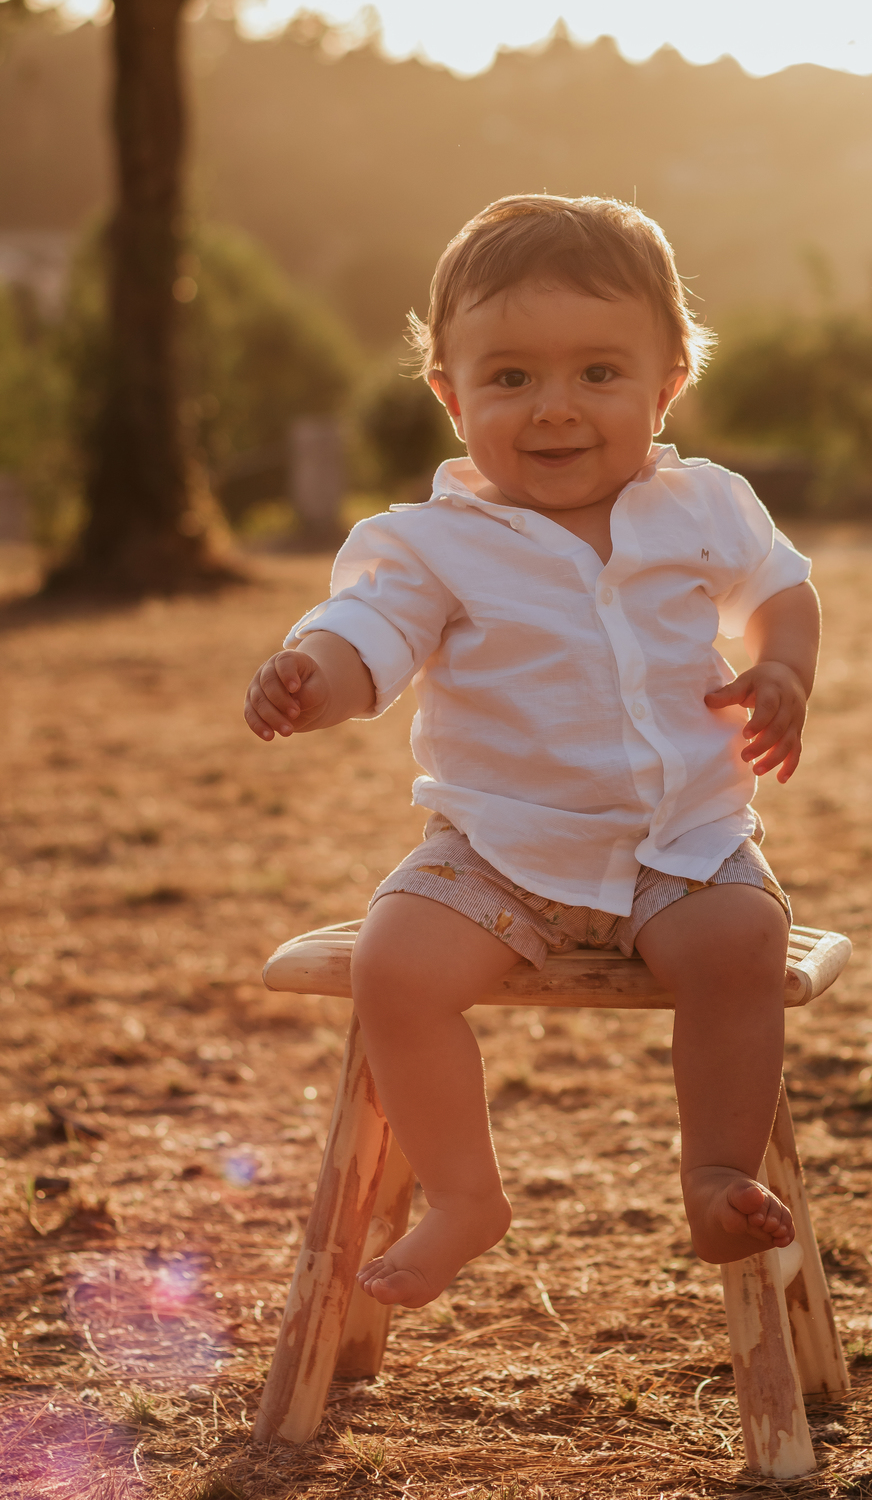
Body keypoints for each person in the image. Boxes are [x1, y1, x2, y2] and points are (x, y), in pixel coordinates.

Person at [243, 194, 821, 1311]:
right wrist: (311, 679)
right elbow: (367, 637)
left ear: (667, 385)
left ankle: (715, 1172)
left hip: (683, 844)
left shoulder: (705, 505)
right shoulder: (428, 544)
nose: (556, 409)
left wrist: (785, 671)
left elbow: (782, 593)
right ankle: (466, 1195)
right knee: (395, 968)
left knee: (743, 941)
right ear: (451, 398)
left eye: (599, 374)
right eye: (510, 379)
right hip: (500, 849)